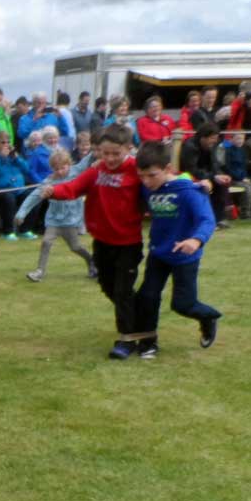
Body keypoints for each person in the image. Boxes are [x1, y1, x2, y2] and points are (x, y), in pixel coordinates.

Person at [41, 122, 146, 360]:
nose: (109, 158)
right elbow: (74, 187)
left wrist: (197, 183)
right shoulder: (96, 171)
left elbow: (164, 176)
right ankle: (137, 315)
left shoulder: (137, 169)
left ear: (129, 148)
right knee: (108, 286)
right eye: (104, 153)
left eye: (115, 153)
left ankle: (126, 339)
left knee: (122, 291)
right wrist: (53, 191)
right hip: (102, 242)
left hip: (128, 243)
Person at [133, 141, 222, 358]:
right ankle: (148, 342)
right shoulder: (147, 188)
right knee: (147, 297)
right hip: (159, 253)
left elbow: (207, 220)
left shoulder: (190, 192)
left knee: (183, 304)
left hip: (185, 256)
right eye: (141, 176)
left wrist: (196, 240)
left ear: (168, 169)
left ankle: (209, 317)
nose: (146, 181)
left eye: (151, 175)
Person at [16, 148, 95, 282]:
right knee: (46, 242)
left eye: (63, 168)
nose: (60, 171)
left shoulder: (77, 171)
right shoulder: (48, 182)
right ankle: (39, 271)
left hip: (71, 221)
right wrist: (21, 213)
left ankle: (92, 261)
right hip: (54, 221)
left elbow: (88, 158)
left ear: (69, 164)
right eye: (56, 169)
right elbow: (34, 197)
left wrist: (98, 147)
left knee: (75, 247)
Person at [0, 130, 35, 240]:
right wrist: (1, 159)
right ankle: (8, 231)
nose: (6, 145)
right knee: (8, 198)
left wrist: (17, 158)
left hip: (16, 189)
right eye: (3, 142)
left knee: (32, 195)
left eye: (8, 142)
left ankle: (25, 229)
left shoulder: (13, 156)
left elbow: (27, 169)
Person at [180, 123, 232, 225]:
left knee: (221, 184)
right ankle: (209, 219)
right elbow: (191, 170)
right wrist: (213, 177)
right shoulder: (190, 147)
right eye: (212, 138)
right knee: (210, 185)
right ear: (203, 137)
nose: (215, 141)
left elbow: (214, 163)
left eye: (215, 138)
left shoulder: (210, 147)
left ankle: (219, 219)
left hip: (205, 176)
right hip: (190, 178)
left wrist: (219, 175)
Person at [222, 132, 251, 220]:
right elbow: (228, 168)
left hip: (242, 179)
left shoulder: (242, 151)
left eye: (242, 138)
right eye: (238, 138)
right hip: (232, 180)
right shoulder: (228, 152)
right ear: (232, 139)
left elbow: (244, 167)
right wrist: (240, 178)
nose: (240, 141)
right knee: (247, 189)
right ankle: (245, 214)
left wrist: (244, 177)